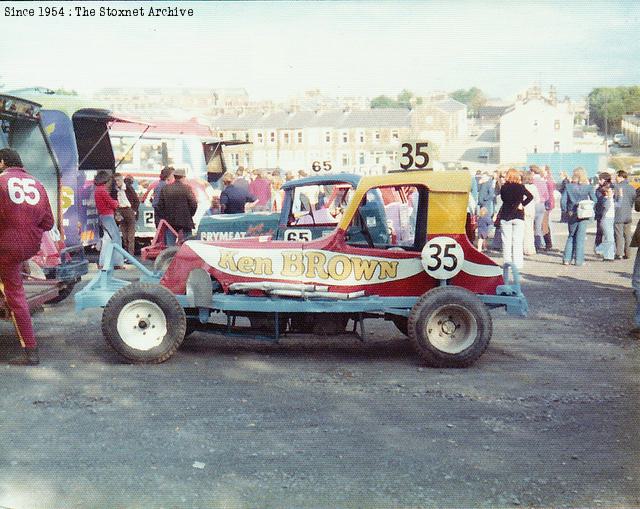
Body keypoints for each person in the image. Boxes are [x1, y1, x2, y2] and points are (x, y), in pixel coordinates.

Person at [0, 148, 55, 365]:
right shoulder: (37, 184)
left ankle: (31, 350)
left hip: (5, 248)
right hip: (27, 248)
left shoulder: (1, 182)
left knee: (15, 297)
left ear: (3, 162)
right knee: (15, 290)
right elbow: (48, 223)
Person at [561, 167, 596, 266]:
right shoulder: (588, 187)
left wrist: (566, 211)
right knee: (580, 238)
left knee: (571, 236)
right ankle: (579, 261)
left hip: (572, 213)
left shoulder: (568, 186)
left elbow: (563, 201)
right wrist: (589, 207)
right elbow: (595, 200)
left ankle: (567, 259)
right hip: (584, 214)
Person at [499, 168, 533, 270]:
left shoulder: (503, 188)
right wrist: (522, 204)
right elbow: (530, 197)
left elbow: (504, 200)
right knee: (517, 242)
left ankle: (507, 264)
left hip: (506, 216)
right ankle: (518, 264)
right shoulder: (521, 187)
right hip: (518, 216)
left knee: (506, 242)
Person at [156, 167, 197, 246]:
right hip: (185, 221)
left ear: (174, 176)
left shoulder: (165, 189)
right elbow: (193, 204)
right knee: (188, 245)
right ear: (183, 177)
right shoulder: (187, 188)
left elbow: (159, 206)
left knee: (170, 245)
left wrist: (165, 216)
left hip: (170, 221)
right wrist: (189, 214)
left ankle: (171, 257)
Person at [94, 170, 125, 269]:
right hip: (107, 216)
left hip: (103, 216)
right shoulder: (102, 190)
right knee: (116, 238)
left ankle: (103, 262)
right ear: (105, 180)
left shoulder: (97, 190)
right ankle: (117, 262)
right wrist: (117, 203)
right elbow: (112, 203)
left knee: (107, 239)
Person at [613, 170, 636, 260]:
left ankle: (619, 253)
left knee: (618, 235)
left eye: (617, 176)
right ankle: (628, 253)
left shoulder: (617, 187)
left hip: (618, 214)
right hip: (628, 214)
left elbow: (615, 200)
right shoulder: (631, 187)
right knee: (628, 235)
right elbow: (633, 199)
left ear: (621, 177)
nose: (616, 178)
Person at [114, 174, 137, 256]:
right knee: (124, 235)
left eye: (118, 180)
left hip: (128, 209)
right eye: (115, 181)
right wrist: (117, 212)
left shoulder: (127, 188)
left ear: (122, 180)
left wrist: (134, 210)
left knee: (130, 235)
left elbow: (136, 199)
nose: (117, 182)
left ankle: (131, 255)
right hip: (120, 210)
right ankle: (126, 254)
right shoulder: (115, 190)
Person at [530, 166, 550, 251]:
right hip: (541, 205)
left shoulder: (532, 182)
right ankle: (538, 244)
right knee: (539, 226)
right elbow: (547, 196)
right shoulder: (543, 181)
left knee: (531, 225)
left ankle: (533, 243)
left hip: (533, 204)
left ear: (532, 172)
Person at [595, 182, 615, 261]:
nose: (612, 193)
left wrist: (620, 196)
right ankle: (598, 249)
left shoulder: (611, 199)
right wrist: (609, 198)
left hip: (611, 219)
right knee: (609, 239)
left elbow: (619, 204)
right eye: (610, 191)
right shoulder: (604, 199)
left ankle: (609, 256)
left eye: (612, 191)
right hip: (605, 219)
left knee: (611, 239)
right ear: (606, 192)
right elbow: (606, 207)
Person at [522, 173, 540, 256]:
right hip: (531, 209)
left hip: (524, 208)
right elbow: (537, 199)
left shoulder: (522, 187)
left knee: (524, 230)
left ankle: (525, 248)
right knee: (530, 229)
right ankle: (531, 248)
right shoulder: (534, 187)